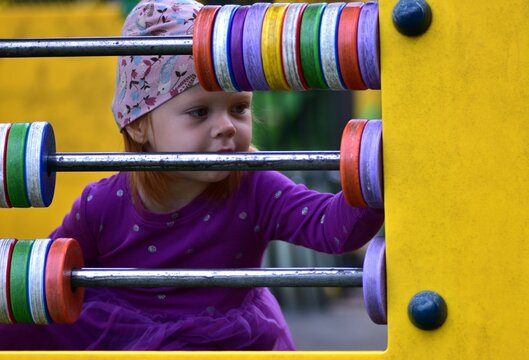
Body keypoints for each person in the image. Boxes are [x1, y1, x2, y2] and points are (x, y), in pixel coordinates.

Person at [0, 0, 384, 350]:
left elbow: (331, 228)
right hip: (121, 332)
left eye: (238, 108)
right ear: (138, 127)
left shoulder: (254, 184)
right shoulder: (103, 203)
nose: (226, 127)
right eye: (200, 112)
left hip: (223, 337)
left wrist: (375, 171)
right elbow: (44, 280)